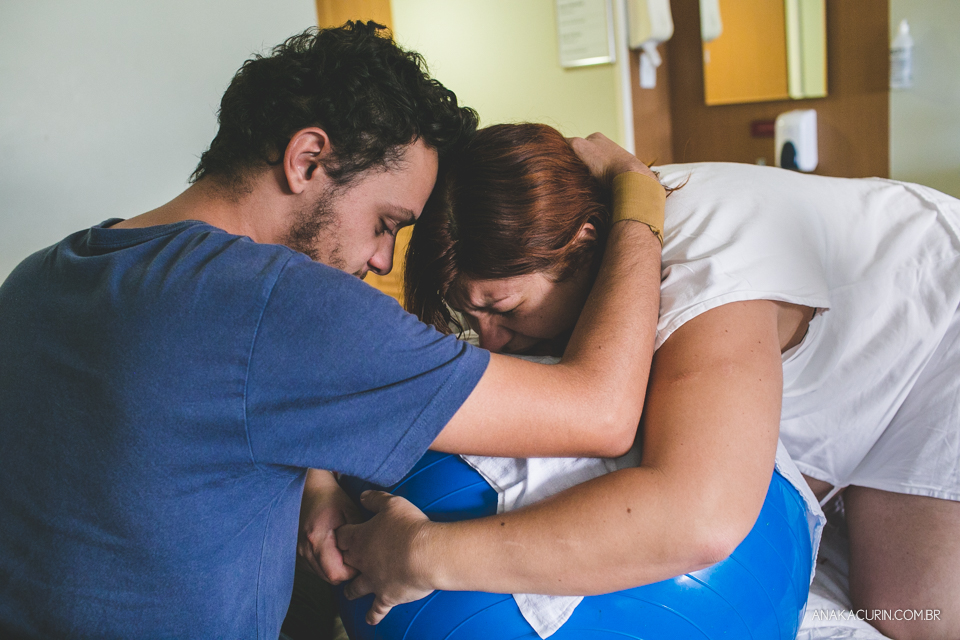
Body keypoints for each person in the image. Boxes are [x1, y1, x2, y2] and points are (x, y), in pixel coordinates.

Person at [0, 26, 667, 638]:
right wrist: (637, 193)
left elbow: (205, 409)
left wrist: (312, 479)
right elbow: (600, 412)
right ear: (307, 158)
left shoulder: (42, 278)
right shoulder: (278, 303)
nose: (380, 260)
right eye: (387, 222)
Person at [334, 123, 960, 640]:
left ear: (580, 246)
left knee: (910, 617)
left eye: (503, 310)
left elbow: (699, 520)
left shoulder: (704, 273)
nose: (490, 342)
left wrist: (425, 556)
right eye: (468, 318)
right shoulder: (585, 237)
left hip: (937, 329)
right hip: (826, 360)